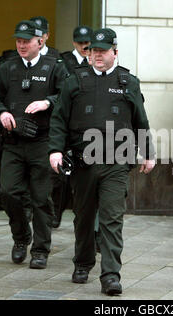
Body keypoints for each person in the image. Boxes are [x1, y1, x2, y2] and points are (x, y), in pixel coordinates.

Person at [48, 28, 155, 295]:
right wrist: (55, 150)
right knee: (83, 217)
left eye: (102, 51)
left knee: (111, 218)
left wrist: (148, 152)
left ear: (114, 52)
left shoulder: (128, 81)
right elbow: (59, 118)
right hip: (83, 162)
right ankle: (83, 263)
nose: (96, 55)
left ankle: (110, 275)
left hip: (117, 162)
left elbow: (140, 120)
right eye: (92, 50)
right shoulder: (75, 80)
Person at [0, 20, 68, 269]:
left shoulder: (55, 66)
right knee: (9, 193)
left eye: (26, 41)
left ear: (40, 41)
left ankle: (41, 250)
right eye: (18, 41)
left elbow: (68, 95)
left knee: (42, 198)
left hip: (42, 142)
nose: (21, 45)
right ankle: (21, 238)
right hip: (13, 142)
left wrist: (48, 102)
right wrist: (0, 113)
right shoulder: (8, 67)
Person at [50, 25, 94, 229]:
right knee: (61, 177)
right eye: (81, 43)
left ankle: (83, 220)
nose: (85, 46)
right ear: (74, 42)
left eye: (87, 43)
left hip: (87, 122)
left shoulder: (96, 61)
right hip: (68, 120)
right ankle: (55, 215)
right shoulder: (63, 61)